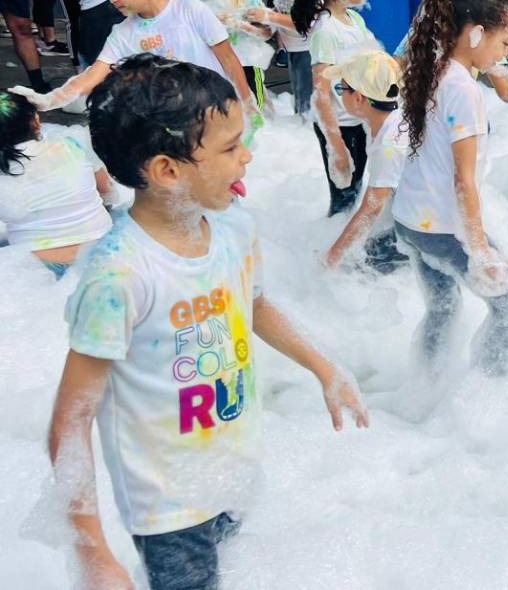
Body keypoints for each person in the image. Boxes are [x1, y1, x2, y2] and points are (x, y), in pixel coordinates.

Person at [48, 55, 367, 590]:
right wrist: (92, 552)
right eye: (229, 147)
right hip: (168, 505)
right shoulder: (119, 276)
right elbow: (71, 422)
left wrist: (324, 366)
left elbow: (255, 306)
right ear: (167, 170)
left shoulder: (233, 228)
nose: (247, 157)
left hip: (231, 467)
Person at [394, 0, 508, 376]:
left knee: (442, 306)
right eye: (504, 43)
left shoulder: (430, 69)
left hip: (410, 217)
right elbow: (463, 180)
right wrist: (479, 248)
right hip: (443, 224)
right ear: (476, 34)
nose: (505, 54)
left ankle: (423, 384)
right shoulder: (464, 90)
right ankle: (488, 391)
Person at [12, 0, 256, 116]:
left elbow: (228, 60)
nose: (112, 0)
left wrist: (246, 105)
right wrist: (49, 100)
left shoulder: (190, 10)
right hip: (170, 121)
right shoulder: (123, 32)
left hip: (214, 111)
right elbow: (92, 76)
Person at [288, 0, 382, 216]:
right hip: (341, 127)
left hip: (358, 120)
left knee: (357, 188)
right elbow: (320, 94)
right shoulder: (326, 31)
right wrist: (336, 146)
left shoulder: (354, 20)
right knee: (344, 197)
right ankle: (334, 252)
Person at [0, 90, 111, 277]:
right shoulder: (73, 142)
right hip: (103, 250)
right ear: (35, 122)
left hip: (35, 266)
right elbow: (107, 189)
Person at [321, 50, 411, 270]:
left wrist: (330, 259)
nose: (339, 94)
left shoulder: (390, 144)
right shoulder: (392, 117)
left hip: (427, 227)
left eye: (341, 88)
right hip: (424, 212)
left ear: (359, 98)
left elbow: (371, 208)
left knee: (360, 268)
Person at [198, 0, 273, 108]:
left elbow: (266, 34)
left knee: (255, 111)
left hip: (248, 63)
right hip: (220, 66)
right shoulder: (203, 0)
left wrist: (240, 25)